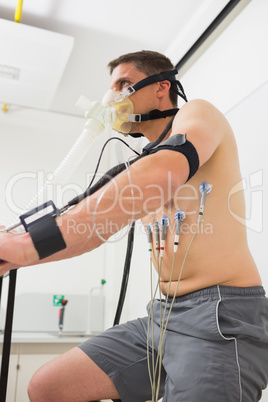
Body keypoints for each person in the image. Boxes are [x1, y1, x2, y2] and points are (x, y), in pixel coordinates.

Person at [1, 50, 268, 401]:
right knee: (48, 387)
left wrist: (25, 246)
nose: (111, 98)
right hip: (163, 315)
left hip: (218, 313)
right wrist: (16, 256)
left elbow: (165, 171)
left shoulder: (197, 114)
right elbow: (89, 230)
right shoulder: (141, 164)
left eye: (123, 84)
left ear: (161, 86)